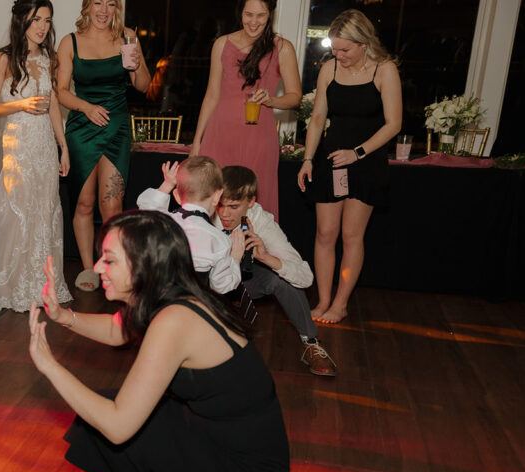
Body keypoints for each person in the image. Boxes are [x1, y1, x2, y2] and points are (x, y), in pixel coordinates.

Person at [29, 211, 289, 472]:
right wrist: (64, 317)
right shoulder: (171, 298)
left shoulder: (174, 320)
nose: (97, 267)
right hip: (224, 441)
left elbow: (118, 426)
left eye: (109, 259)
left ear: (144, 266)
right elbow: (118, 329)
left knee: (105, 430)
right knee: (106, 414)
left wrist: (49, 366)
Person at [297, 9, 401, 324]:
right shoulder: (329, 70)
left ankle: (341, 303)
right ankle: (324, 299)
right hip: (331, 162)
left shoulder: (384, 70)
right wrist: (307, 159)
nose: (338, 55)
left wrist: (357, 153)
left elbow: (394, 124)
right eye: (335, 49)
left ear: (365, 43)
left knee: (351, 235)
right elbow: (317, 119)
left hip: (366, 162)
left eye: (345, 50)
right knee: (325, 233)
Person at [0, 0, 71, 313]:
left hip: (44, 145)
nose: (42, 27)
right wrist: (21, 104)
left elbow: (55, 103)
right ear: (22, 22)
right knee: (16, 210)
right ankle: (9, 284)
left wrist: (63, 146)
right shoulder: (4, 58)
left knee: (45, 211)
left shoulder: (48, 57)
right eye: (36, 20)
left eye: (46, 20)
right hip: (18, 146)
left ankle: (41, 285)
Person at [57, 0, 150, 291]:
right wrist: (86, 107)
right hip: (83, 127)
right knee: (84, 203)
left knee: (112, 204)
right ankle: (88, 269)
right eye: (98, 2)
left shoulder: (128, 36)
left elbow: (144, 86)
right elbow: (60, 91)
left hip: (116, 128)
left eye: (111, 4)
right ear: (87, 6)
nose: (104, 10)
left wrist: (135, 64)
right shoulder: (69, 42)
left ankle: (114, 266)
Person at [216, 165, 337, 376]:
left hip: (245, 282)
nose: (225, 213)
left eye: (234, 206)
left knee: (283, 277)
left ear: (251, 201)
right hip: (207, 282)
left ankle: (310, 342)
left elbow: (305, 278)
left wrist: (265, 257)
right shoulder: (204, 213)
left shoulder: (261, 221)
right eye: (220, 204)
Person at [190, 0, 302, 218]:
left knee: (253, 210)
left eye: (260, 15)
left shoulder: (282, 48)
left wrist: (272, 100)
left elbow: (295, 97)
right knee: (213, 202)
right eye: (248, 14)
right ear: (239, 13)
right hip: (219, 135)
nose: (253, 22)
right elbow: (212, 95)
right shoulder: (222, 44)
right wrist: (197, 143)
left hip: (258, 139)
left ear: (270, 15)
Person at [136, 155, 242, 295]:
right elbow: (222, 287)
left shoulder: (163, 223)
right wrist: (235, 259)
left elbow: (147, 205)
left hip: (155, 302)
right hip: (190, 309)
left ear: (177, 196)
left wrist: (168, 184)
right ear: (218, 196)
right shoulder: (219, 241)